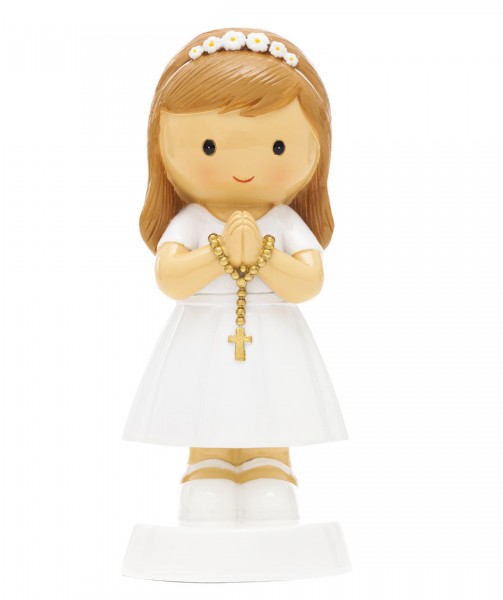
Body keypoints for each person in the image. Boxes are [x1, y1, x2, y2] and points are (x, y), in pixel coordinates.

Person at [123, 28, 348, 526]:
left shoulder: (285, 222)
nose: (243, 167)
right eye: (209, 146)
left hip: (273, 329)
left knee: (272, 396)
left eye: (276, 146)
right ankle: (208, 465)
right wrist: (219, 253)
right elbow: (170, 277)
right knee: (207, 397)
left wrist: (265, 257)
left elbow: (310, 282)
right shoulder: (192, 220)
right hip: (204, 329)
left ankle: (271, 465)